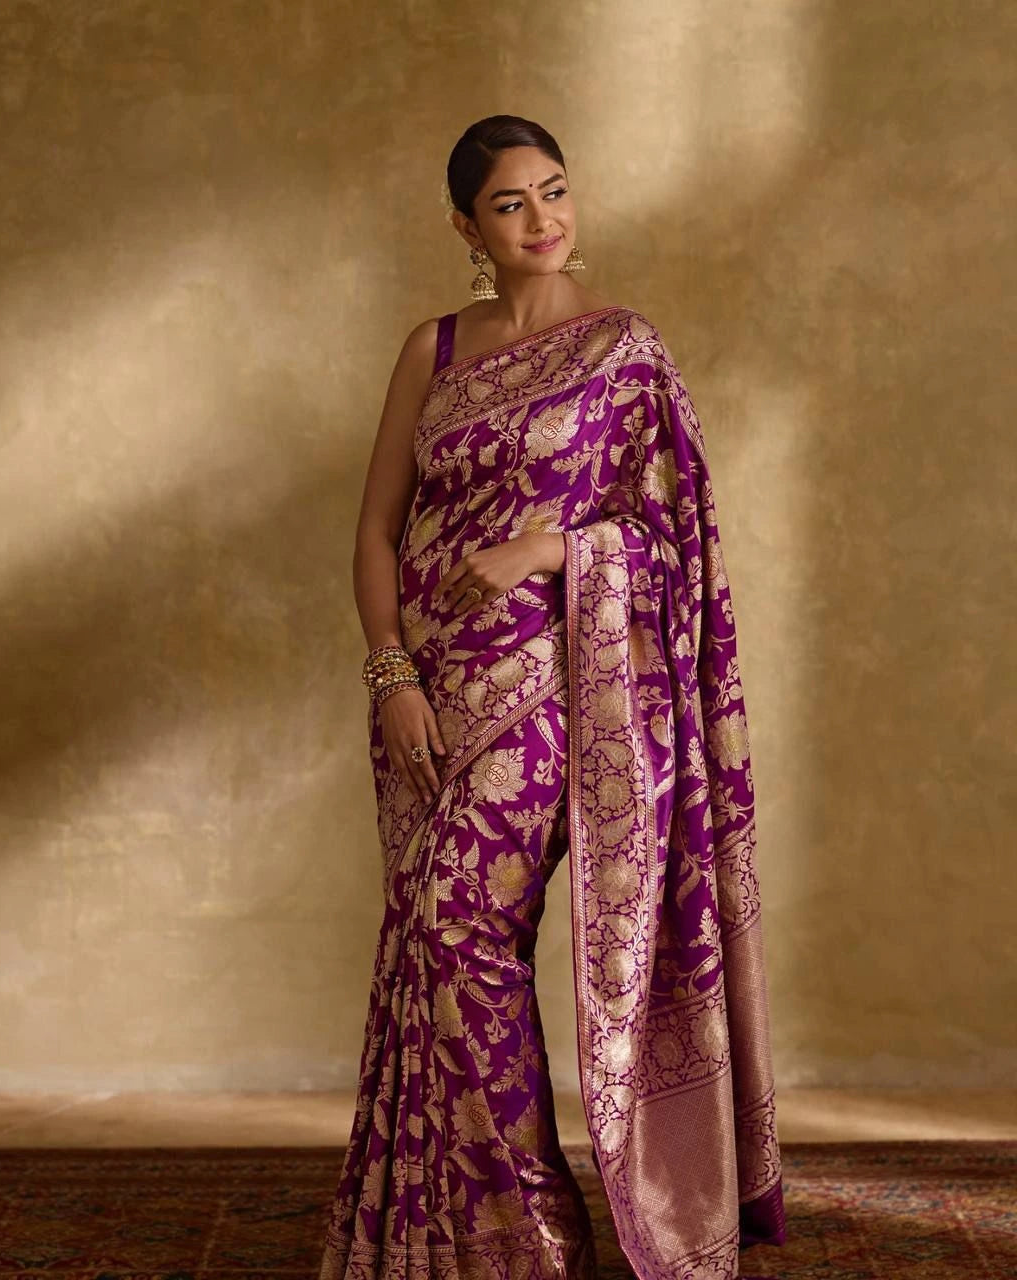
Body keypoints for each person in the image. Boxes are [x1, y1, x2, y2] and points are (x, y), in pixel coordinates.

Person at [318, 114, 786, 1280]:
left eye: (555, 191)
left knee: (456, 923)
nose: (543, 219)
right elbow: (376, 531)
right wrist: (391, 674)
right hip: (429, 698)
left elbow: (676, 542)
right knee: (434, 946)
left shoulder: (623, 349)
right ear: (466, 226)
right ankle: (453, 1231)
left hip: (555, 697)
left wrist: (544, 552)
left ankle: (534, 1228)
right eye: (512, 203)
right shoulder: (432, 348)